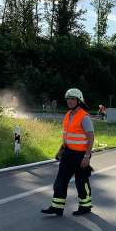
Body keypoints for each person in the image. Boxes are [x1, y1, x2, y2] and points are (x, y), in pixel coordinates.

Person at [41, 88, 94, 217]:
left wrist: (87, 156)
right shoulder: (68, 115)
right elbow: (67, 136)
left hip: (81, 155)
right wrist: (60, 150)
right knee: (60, 181)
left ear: (78, 100)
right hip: (68, 153)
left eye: (72, 99)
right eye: (68, 99)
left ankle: (85, 206)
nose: (69, 101)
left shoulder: (84, 116)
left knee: (81, 182)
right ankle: (57, 207)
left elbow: (91, 137)